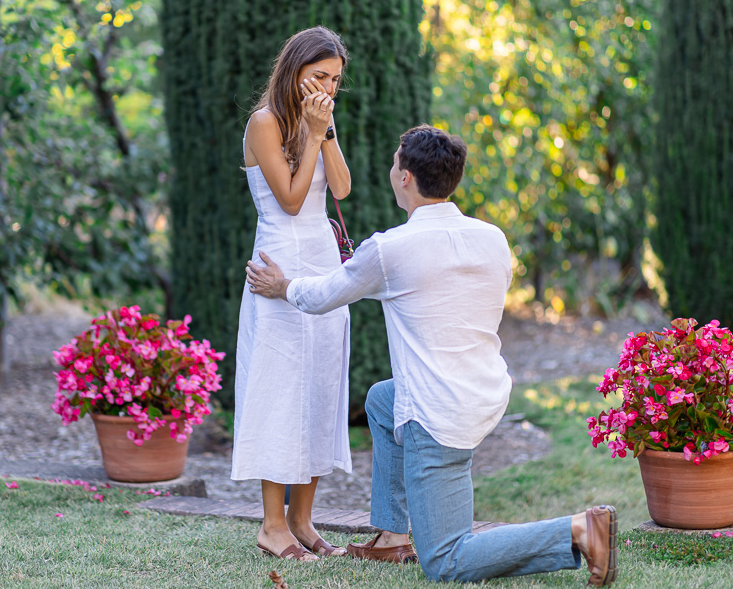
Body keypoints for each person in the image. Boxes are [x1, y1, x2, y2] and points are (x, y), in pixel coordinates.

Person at [245, 124, 618, 585]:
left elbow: (324, 295)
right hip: (484, 394)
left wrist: (282, 286)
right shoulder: (492, 238)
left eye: (394, 162)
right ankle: (389, 536)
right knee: (382, 402)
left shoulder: (390, 249)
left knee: (446, 559)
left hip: (437, 416)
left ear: (404, 177)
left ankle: (579, 532)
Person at [232, 26, 353, 562]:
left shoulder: (320, 119)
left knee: (320, 387)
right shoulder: (264, 123)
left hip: (323, 263)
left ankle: (303, 522)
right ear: (296, 69)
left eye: (335, 79)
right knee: (280, 390)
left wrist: (324, 132)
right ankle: (272, 526)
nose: (327, 85)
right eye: (319, 75)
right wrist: (308, 130)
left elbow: (342, 188)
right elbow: (290, 198)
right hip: (280, 261)